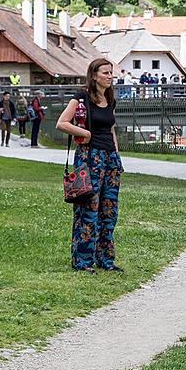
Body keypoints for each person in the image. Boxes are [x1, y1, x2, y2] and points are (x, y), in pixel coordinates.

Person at [56, 58, 124, 272]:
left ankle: (106, 259)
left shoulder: (110, 98)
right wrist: (85, 133)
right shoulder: (82, 97)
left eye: (111, 73)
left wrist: (117, 155)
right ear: (94, 75)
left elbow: (111, 129)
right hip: (89, 157)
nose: (110, 76)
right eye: (105, 73)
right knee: (89, 208)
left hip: (109, 158)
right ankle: (83, 260)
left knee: (109, 209)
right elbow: (62, 123)